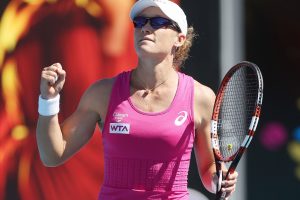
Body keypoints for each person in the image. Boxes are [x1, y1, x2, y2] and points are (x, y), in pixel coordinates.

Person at [36, 0, 238, 199]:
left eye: (157, 22)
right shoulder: (102, 93)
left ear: (180, 39)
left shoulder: (201, 97)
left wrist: (219, 180)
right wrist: (49, 100)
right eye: (140, 22)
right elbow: (52, 155)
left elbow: (209, 170)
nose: (146, 28)